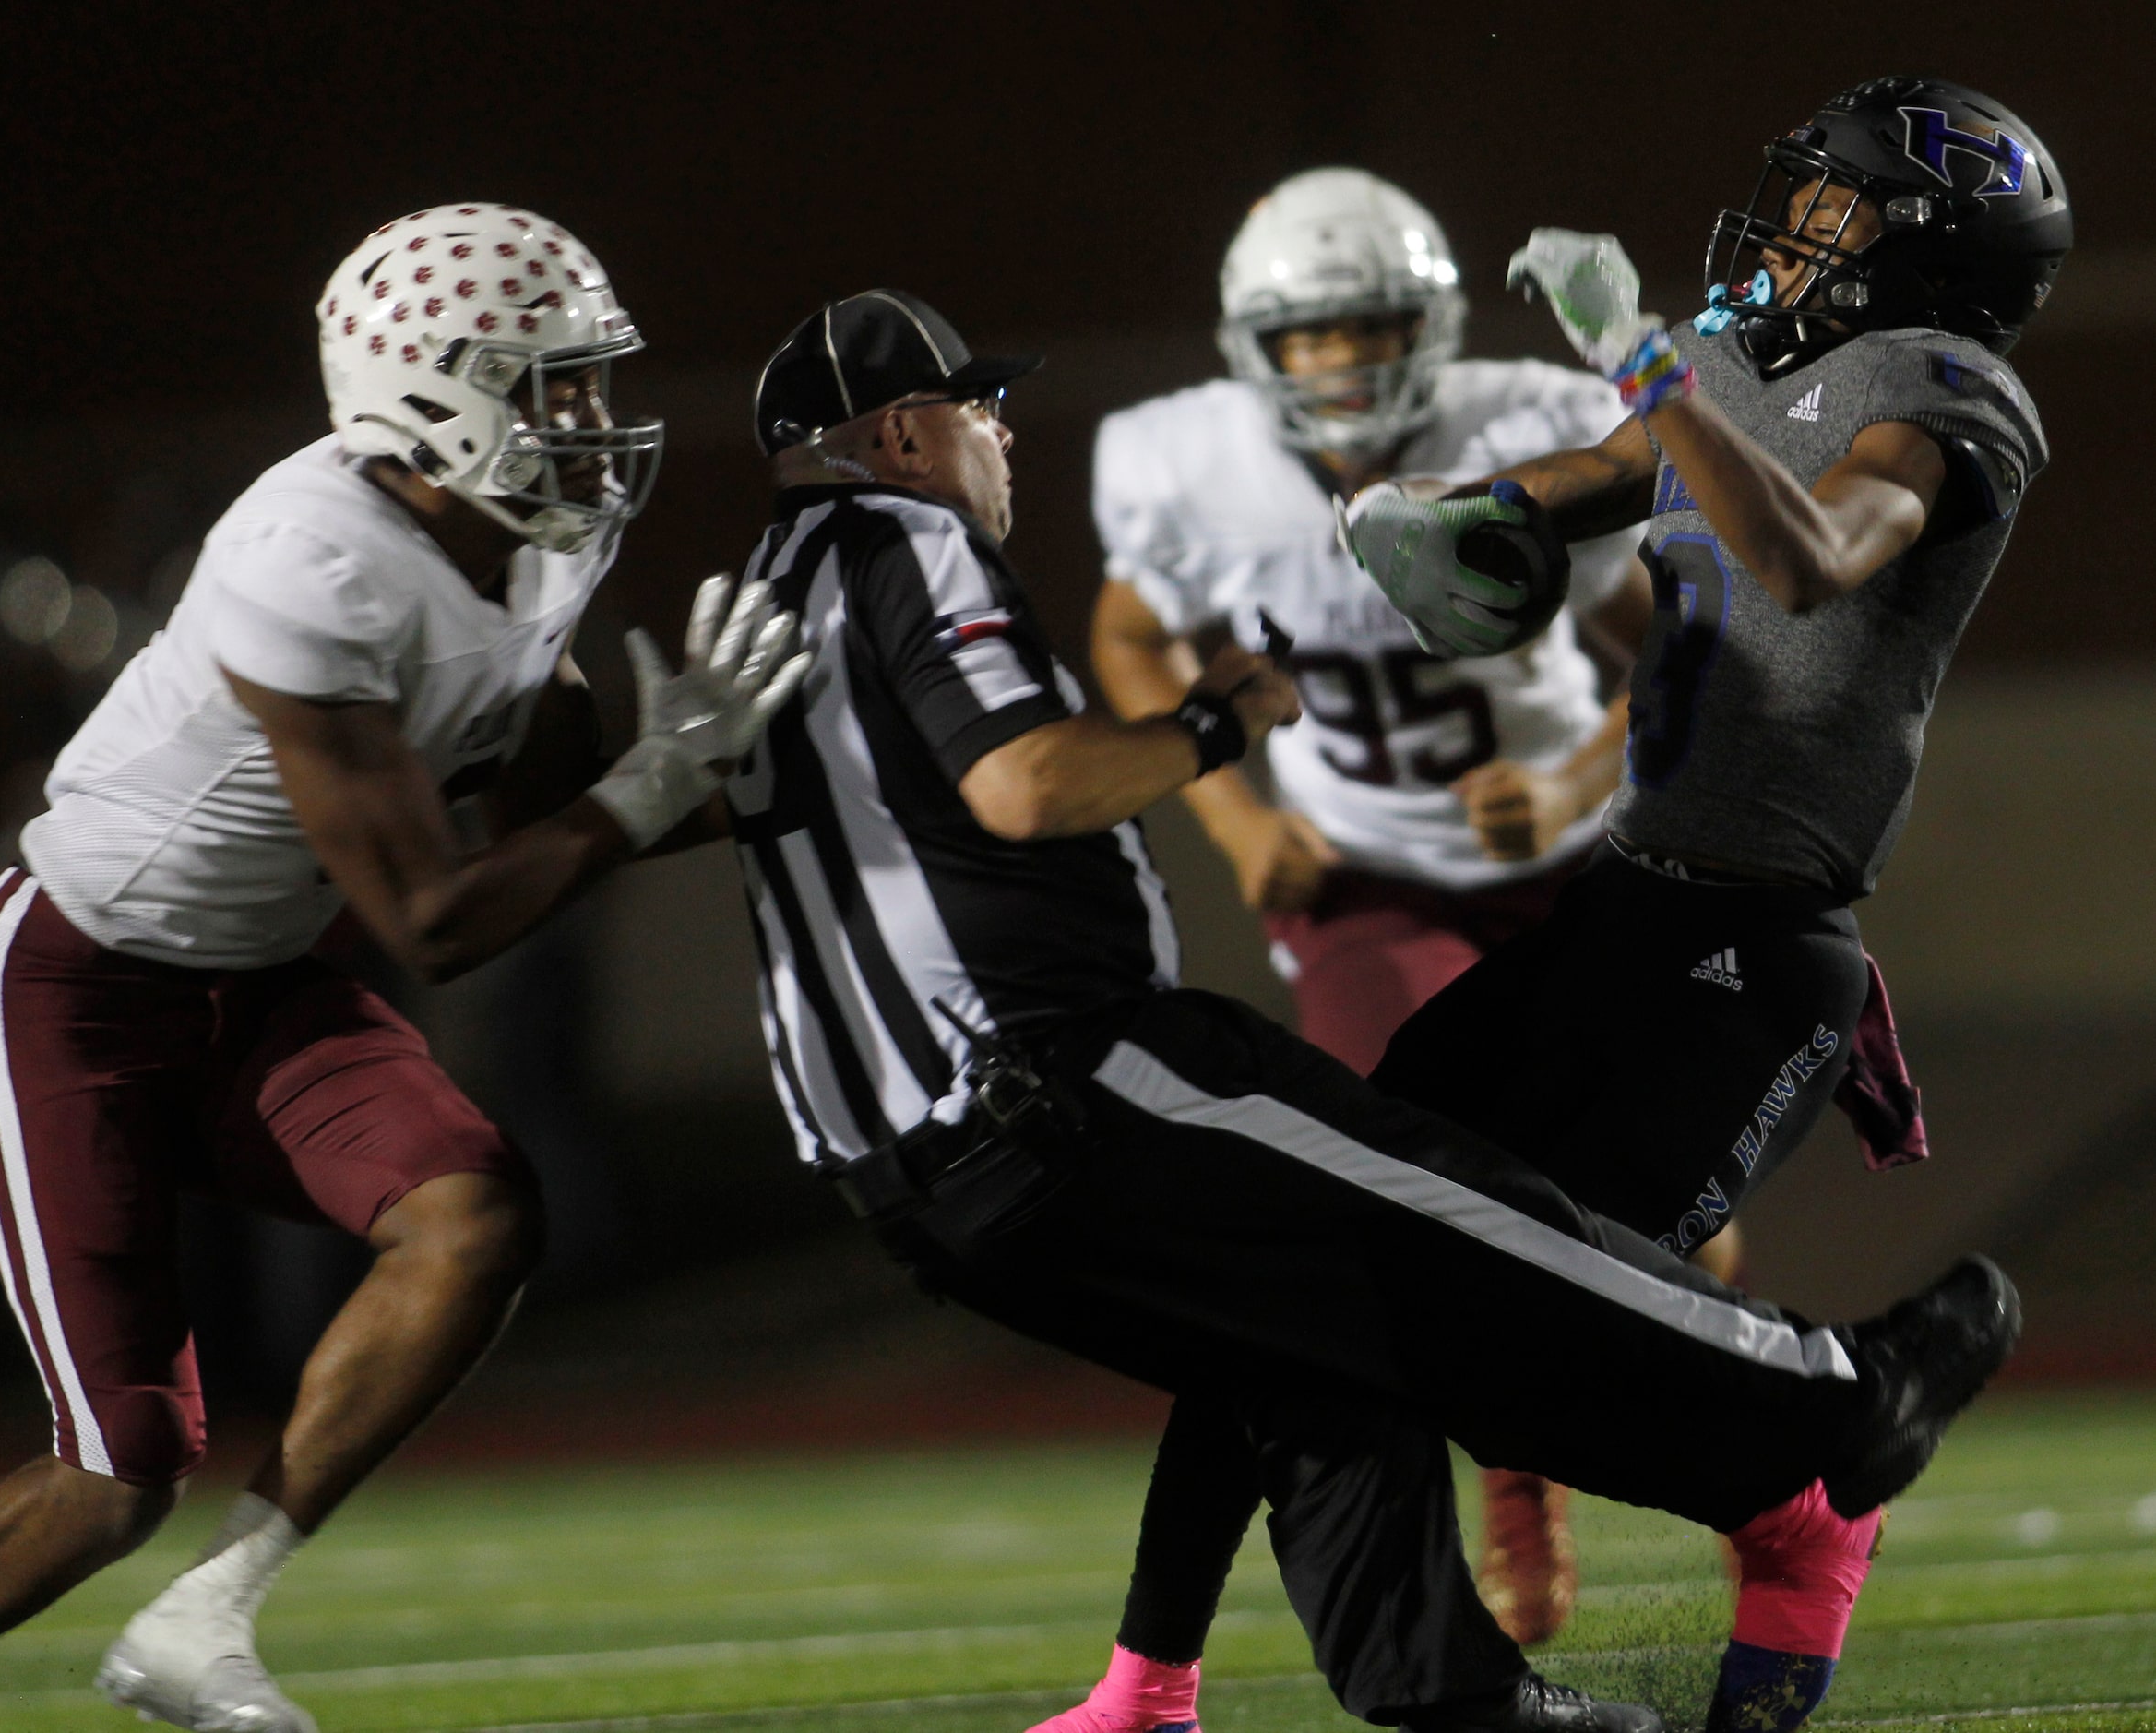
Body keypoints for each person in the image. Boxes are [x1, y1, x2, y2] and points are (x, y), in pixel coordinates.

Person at [721, 286, 2019, 1733]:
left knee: (1306, 1326)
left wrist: (1473, 532)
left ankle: (1331, 1691)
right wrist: (1224, 730)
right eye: (980, 407)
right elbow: (1025, 780)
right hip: (1065, 1076)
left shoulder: (764, 588)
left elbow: (1668, 575)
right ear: (901, 431)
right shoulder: (920, 535)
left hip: (905, 1166)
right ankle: (1830, 1415)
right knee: (1455, 1222)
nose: (1004, 433)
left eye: (1363, 326)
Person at [0, 205, 804, 1733]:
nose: (587, 422)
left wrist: (762, 774)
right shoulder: (309, 557)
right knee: (122, 1461)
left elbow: (545, 804)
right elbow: (438, 918)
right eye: (553, 386)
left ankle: (212, 1616)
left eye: (587, 382)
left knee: (474, 1216)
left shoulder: (541, 532)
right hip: (70, 979)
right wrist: (653, 787)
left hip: (258, 980)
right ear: (432, 389)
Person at [1311, 74, 2064, 1729]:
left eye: (1835, 211)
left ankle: (1826, 1467)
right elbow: (1610, 465)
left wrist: (1647, 359)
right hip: (1614, 902)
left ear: (1929, 249)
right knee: (1340, 1231)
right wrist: (1466, 529)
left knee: (1538, 1323)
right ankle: (1152, 1679)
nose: (1797, 235)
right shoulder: (1740, 364)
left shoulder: (1954, 393)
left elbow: (1805, 553)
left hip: (1756, 944)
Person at [1090, 165, 1658, 1649]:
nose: (1339, 363)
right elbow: (1129, 627)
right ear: (1252, 346)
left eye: (1368, 328)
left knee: (1664, 1208)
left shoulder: (1522, 429)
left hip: (1569, 857)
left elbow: (1682, 641)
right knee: (1393, 1185)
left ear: (1431, 323)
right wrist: (1229, 809)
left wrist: (1586, 766)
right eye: (1309, 335)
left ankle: (1721, 1451)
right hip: (1366, 870)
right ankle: (1512, 1478)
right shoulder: (1188, 464)